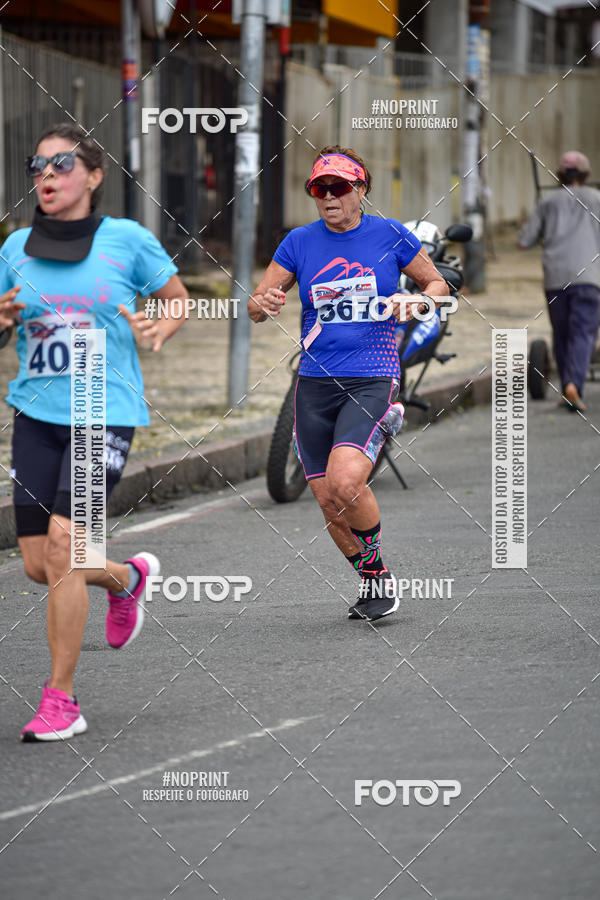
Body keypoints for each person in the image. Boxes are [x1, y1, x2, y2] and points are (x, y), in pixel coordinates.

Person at [0, 122, 188, 741]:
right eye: (38, 166)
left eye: (61, 165)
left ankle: (62, 700)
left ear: (94, 176)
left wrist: (162, 326)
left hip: (101, 409)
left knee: (63, 548)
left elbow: (176, 297)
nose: (46, 176)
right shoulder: (15, 248)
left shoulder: (127, 240)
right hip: (35, 414)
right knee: (40, 564)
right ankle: (127, 579)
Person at [248, 145, 448, 621]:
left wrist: (418, 303)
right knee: (328, 499)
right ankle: (374, 577)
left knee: (346, 481)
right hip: (315, 382)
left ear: (361, 189)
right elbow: (255, 304)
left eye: (338, 187)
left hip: (373, 374)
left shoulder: (390, 235)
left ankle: (375, 569)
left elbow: (438, 286)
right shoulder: (299, 242)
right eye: (319, 189)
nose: (329, 197)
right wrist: (264, 303)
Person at [519, 150, 600, 412]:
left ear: (559, 176)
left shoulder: (548, 202)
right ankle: (574, 384)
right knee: (583, 332)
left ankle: (568, 387)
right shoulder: (597, 198)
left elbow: (524, 241)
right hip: (589, 276)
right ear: (586, 175)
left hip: (556, 278)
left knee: (562, 333)